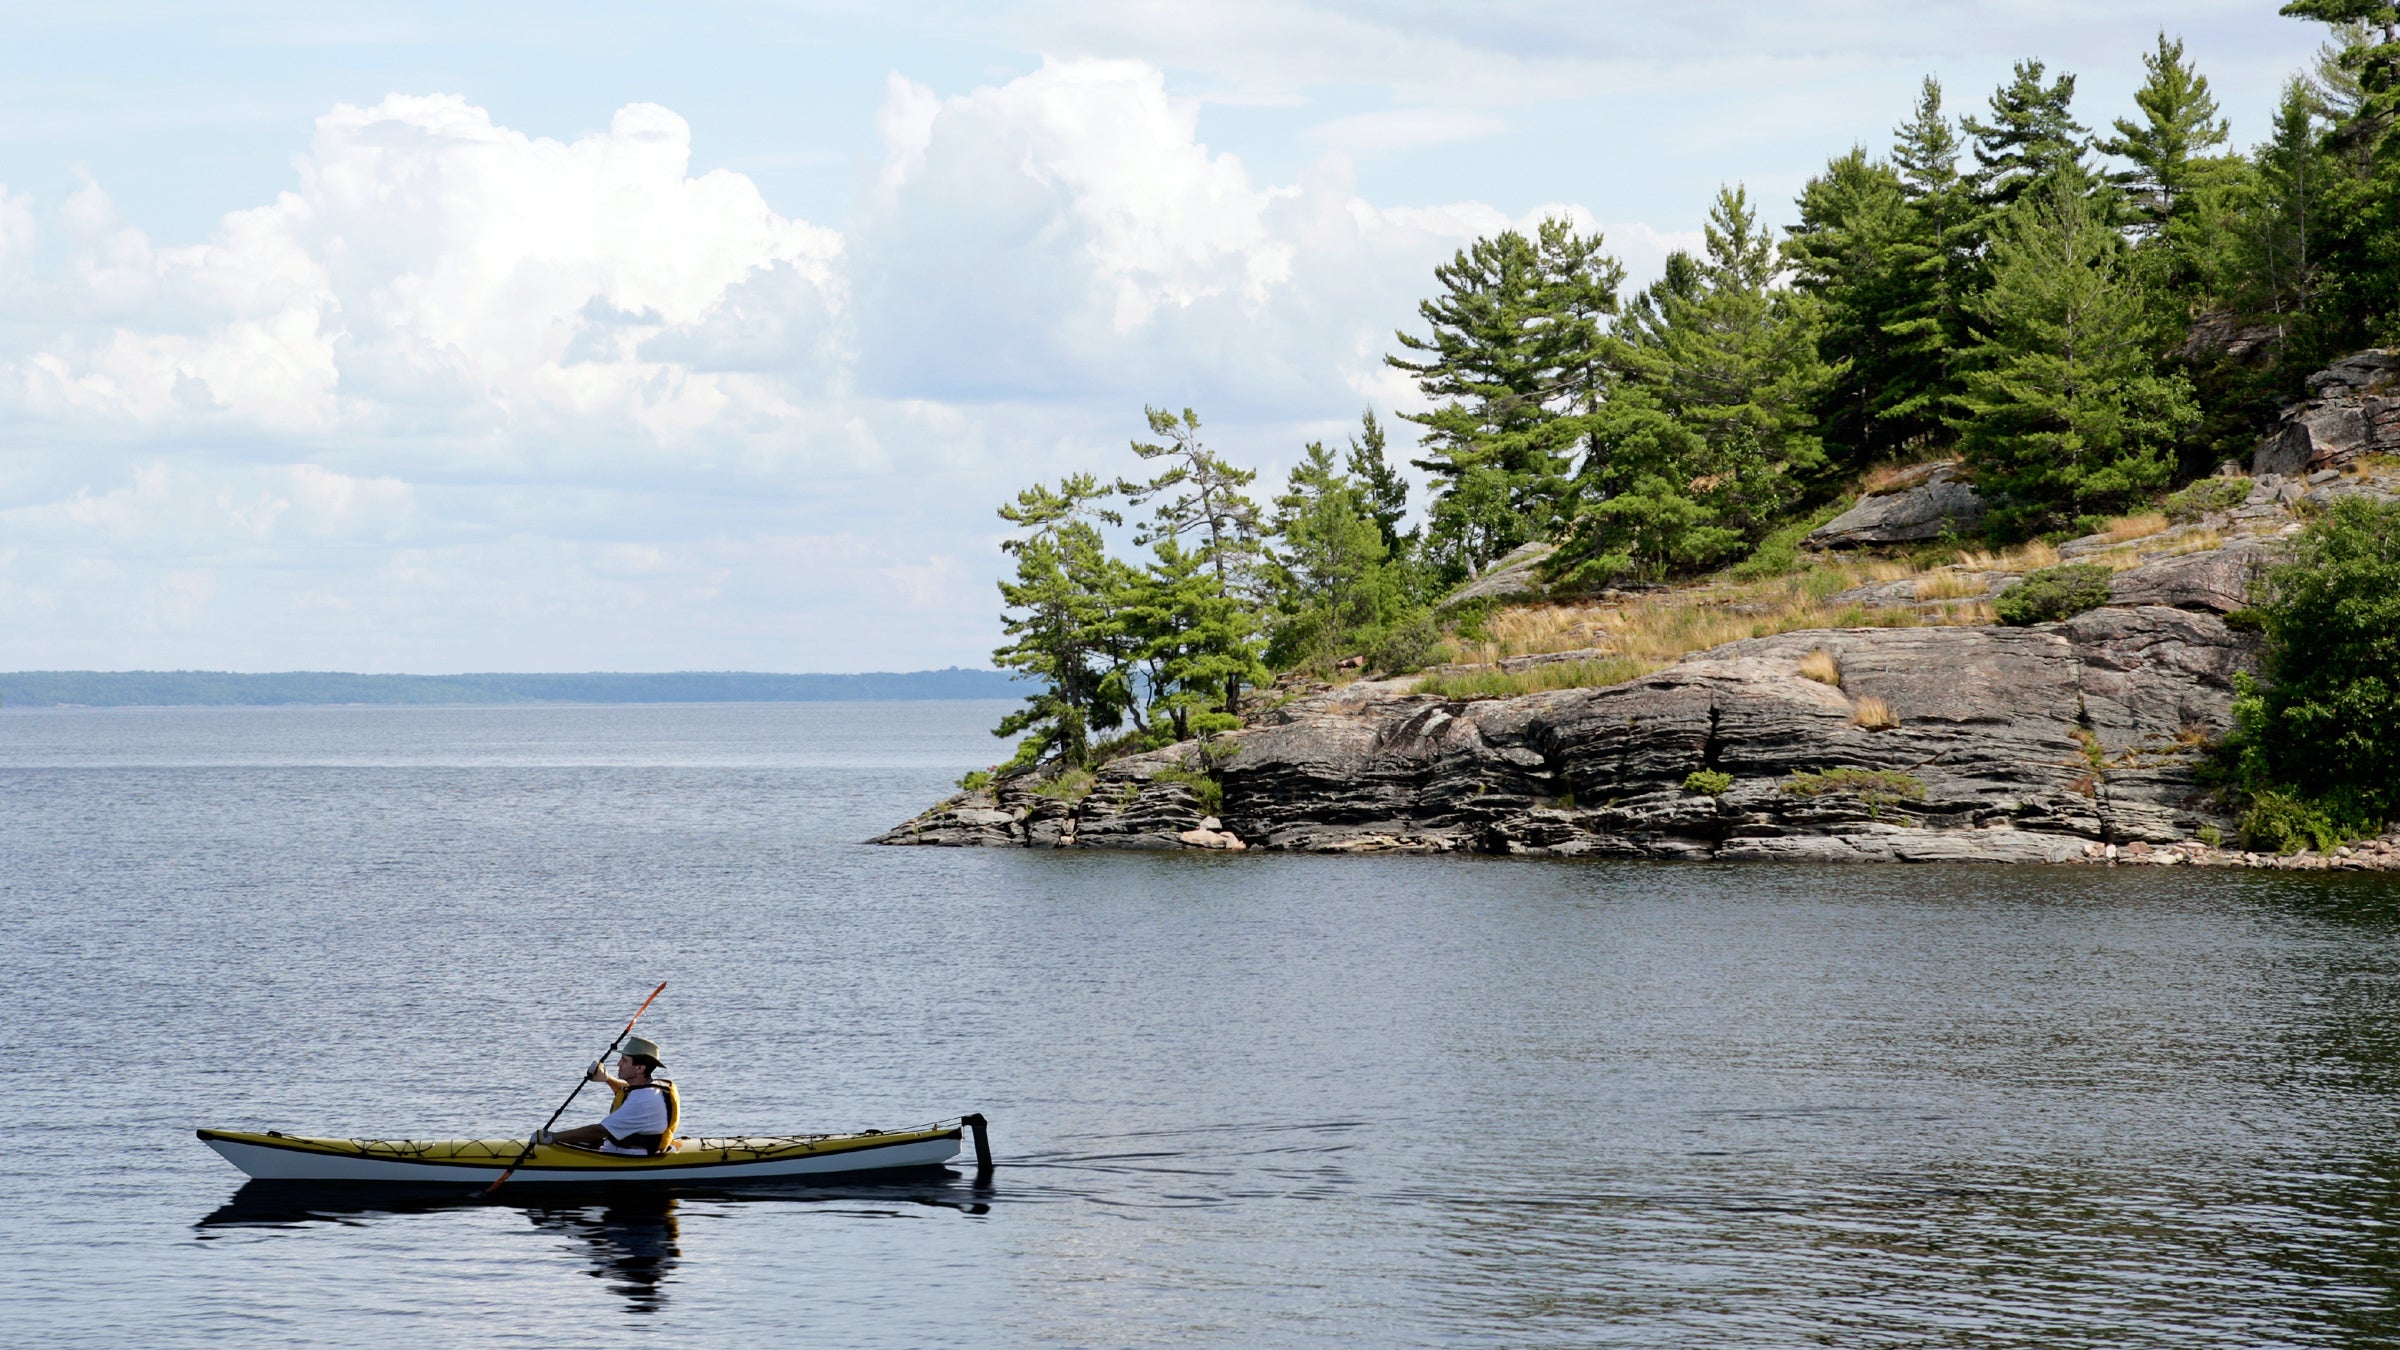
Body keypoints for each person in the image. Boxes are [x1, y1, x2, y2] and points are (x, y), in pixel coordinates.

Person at [545, 1036, 681, 1154]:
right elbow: (627, 1090)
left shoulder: (642, 1102)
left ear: (640, 1068)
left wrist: (551, 1137)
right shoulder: (653, 1087)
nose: (618, 1064)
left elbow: (600, 1131)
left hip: (629, 1155)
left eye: (624, 1060)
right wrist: (606, 1078)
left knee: (572, 1140)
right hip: (625, 1148)